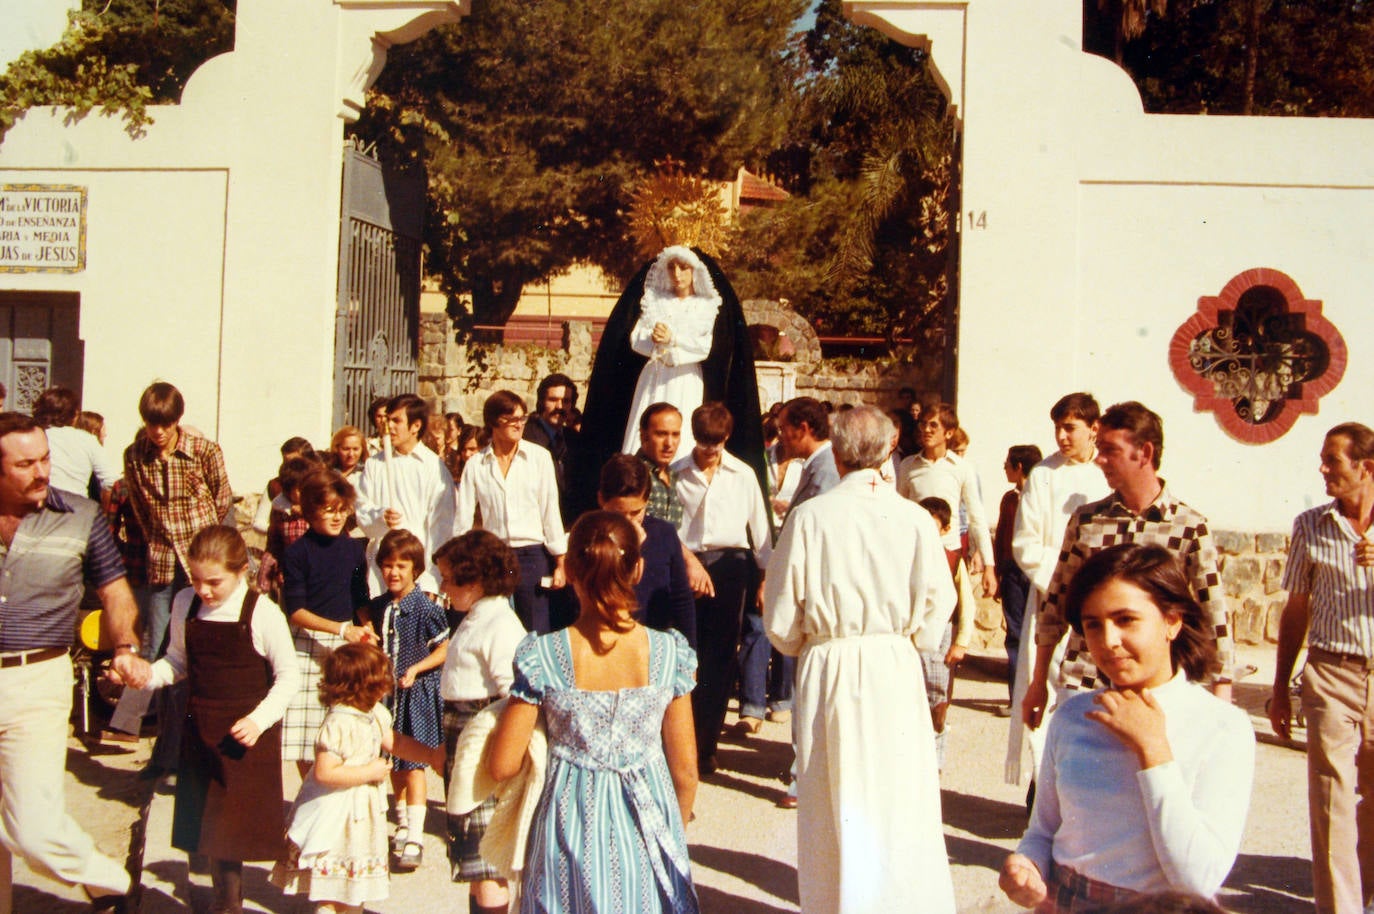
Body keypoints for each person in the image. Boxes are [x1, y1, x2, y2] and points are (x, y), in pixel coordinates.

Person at [763, 405, 957, 914]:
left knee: (836, 794)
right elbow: (939, 601)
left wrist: (809, 643)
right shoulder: (915, 519)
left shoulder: (809, 517)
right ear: (890, 449)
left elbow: (781, 616)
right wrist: (909, 640)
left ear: (840, 452)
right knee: (897, 792)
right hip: (893, 664)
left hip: (832, 664)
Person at [1000, 543, 1254, 912]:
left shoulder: (1222, 727)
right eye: (1093, 625)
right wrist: (1028, 866)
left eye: (1126, 620)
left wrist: (1154, 750)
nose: (1108, 641)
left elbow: (1199, 878)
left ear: (1172, 621)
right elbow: (1044, 830)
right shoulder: (1072, 717)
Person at [487, 511, 699, 913]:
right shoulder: (669, 654)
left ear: (567, 568)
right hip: (649, 822)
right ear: (637, 569)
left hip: (569, 825)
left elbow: (502, 764)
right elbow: (685, 771)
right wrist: (675, 828)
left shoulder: (544, 656)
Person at [0, 412, 149, 913]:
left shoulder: (81, 516)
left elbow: (115, 592)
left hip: (36, 682)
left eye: (44, 458)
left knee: (35, 831)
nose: (42, 471)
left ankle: (113, 882)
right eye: (25, 464)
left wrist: (124, 647)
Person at [1022, 402, 1234, 743]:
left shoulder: (1189, 527)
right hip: (1086, 684)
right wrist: (1037, 684)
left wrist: (1222, 698)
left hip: (1157, 689)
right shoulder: (1087, 521)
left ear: (1144, 452)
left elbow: (1215, 614)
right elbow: (1056, 604)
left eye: (1110, 451)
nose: (1100, 459)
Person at [140, 525, 301, 914]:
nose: (203, 590)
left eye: (214, 582)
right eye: (195, 579)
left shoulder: (262, 612)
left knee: (236, 827)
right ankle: (226, 904)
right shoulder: (184, 603)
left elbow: (289, 676)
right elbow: (176, 661)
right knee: (211, 828)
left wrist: (259, 720)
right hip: (201, 725)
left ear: (241, 571)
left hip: (246, 731)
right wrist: (147, 676)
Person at [576, 244, 765, 518]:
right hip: (654, 375)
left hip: (685, 377)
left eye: (684, 267)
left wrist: (673, 340)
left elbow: (704, 347)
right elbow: (635, 339)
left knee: (681, 434)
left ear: (694, 271)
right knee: (647, 428)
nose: (677, 274)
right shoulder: (655, 301)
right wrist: (652, 339)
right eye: (672, 267)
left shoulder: (705, 304)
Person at [1269, 422, 1374, 914]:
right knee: (1332, 802)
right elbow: (1296, 609)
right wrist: (1278, 684)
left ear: (1365, 467)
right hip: (1332, 672)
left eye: (1333, 460)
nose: (1323, 468)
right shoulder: (1310, 524)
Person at [115, 381, 233, 773]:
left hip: (205, 566)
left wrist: (212, 556)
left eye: (165, 423)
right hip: (164, 567)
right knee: (161, 656)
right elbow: (140, 511)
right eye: (151, 423)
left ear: (177, 421)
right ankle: (164, 753)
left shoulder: (203, 451)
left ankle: (204, 751)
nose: (158, 431)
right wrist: (158, 546)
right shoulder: (134, 456)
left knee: (209, 652)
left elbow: (222, 500)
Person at [271, 642, 442, 913]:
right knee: (330, 890)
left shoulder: (373, 714)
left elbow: (394, 742)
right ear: (362, 686)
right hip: (337, 814)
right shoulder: (339, 722)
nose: (385, 689)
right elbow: (325, 771)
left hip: (361, 815)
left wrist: (431, 755)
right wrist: (368, 772)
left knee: (354, 889)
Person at [1006, 392, 1109, 789]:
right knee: (1047, 695)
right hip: (1053, 601)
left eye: (1071, 428)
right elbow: (1026, 544)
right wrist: (1068, 582)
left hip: (1104, 603)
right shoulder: (1043, 476)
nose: (1062, 437)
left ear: (1093, 428)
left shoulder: (1106, 473)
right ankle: (1043, 794)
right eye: (1058, 428)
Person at [673, 402, 772, 774]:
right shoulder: (677, 472)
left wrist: (766, 578)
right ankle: (680, 744)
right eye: (701, 441)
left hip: (730, 567)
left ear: (726, 438)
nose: (708, 449)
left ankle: (706, 746)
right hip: (686, 565)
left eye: (715, 442)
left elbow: (760, 530)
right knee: (685, 655)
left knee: (719, 657)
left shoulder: (742, 474)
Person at [433, 531, 526, 913]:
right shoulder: (475, 618)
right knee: (473, 866)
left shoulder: (500, 625)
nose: (442, 586)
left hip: (484, 752)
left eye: (449, 578)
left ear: (475, 581)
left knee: (487, 865)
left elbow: (515, 697)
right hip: (462, 742)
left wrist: (500, 761)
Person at [358, 529, 447, 872]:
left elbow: (444, 647)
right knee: (392, 758)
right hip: (388, 695)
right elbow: (366, 624)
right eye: (388, 566)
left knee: (413, 763)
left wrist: (416, 668)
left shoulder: (425, 606)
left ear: (415, 569)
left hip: (416, 692)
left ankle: (416, 834)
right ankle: (402, 821)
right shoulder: (380, 606)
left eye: (401, 565)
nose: (393, 573)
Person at [280, 470, 373, 777]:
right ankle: (310, 794)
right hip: (308, 645)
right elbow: (296, 611)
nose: (336, 517)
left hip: (347, 644)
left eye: (341, 510)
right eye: (327, 510)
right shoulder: (296, 553)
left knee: (347, 726)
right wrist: (340, 629)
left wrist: (366, 629)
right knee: (306, 738)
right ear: (310, 510)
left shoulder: (354, 550)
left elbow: (361, 599)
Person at [453, 390, 567, 634]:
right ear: (494, 422)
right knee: (495, 629)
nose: (519, 425)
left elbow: (550, 512)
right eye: (512, 420)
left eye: (522, 419)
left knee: (534, 630)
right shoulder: (476, 464)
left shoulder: (539, 458)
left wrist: (560, 562)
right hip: (494, 558)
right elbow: (462, 520)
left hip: (532, 557)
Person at [356, 392, 456, 596]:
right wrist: (380, 517)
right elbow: (362, 511)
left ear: (415, 426)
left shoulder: (433, 468)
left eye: (396, 421)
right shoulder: (375, 464)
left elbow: (442, 529)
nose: (389, 426)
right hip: (380, 570)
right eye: (387, 420)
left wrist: (432, 580)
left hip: (418, 571)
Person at [896, 402, 997, 596]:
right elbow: (901, 512)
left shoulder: (962, 468)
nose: (926, 429)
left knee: (946, 618)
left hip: (949, 552)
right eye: (923, 424)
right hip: (915, 552)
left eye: (934, 425)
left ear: (949, 433)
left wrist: (989, 566)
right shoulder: (908, 465)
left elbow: (976, 518)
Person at [597, 454, 696, 645]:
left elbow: (682, 600)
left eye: (635, 513)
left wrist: (690, 656)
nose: (628, 522)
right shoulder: (590, 536)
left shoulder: (664, 534)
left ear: (647, 501)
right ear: (601, 500)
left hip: (656, 644)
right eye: (618, 513)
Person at [917, 496, 977, 771]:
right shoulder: (907, 557)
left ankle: (935, 761)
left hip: (940, 639)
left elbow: (966, 603)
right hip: (913, 636)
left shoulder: (952, 560)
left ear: (944, 529)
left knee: (938, 699)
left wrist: (961, 642)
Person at [996, 443, 1044, 711]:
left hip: (1036, 572)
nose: (1004, 468)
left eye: (1007, 464)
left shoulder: (1041, 498)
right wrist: (998, 573)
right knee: (1015, 635)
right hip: (1013, 572)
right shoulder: (1009, 499)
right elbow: (1003, 536)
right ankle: (1016, 700)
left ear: (1019, 467)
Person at [31, 386, 120, 498]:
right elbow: (111, 481)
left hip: (43, 502)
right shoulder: (88, 440)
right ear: (75, 415)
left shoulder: (36, 437)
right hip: (77, 506)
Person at [523, 372, 581, 524]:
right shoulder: (526, 439)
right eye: (553, 400)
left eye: (566, 401)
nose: (560, 406)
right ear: (541, 402)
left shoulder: (574, 440)